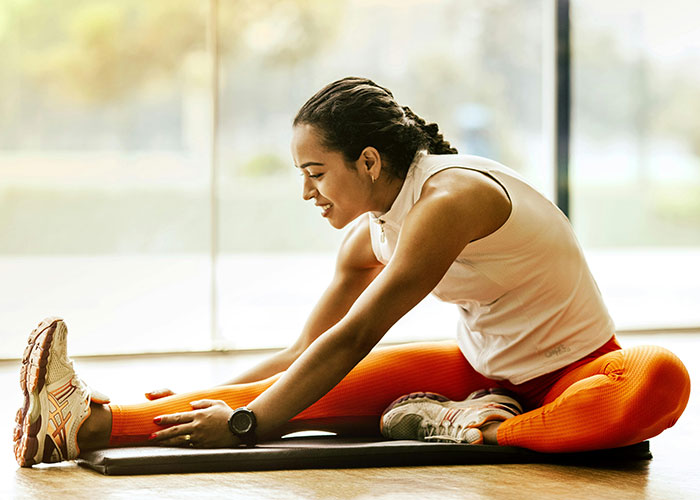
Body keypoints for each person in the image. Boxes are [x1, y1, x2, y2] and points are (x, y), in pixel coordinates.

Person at [14, 77, 690, 467]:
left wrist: (251, 426)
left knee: (662, 377)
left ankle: (473, 428)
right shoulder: (369, 235)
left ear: (368, 161)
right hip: (480, 375)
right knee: (292, 387)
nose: (308, 192)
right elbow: (303, 356)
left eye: (316, 173)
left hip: (578, 374)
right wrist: (199, 400)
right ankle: (79, 424)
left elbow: (359, 332)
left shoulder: (452, 200)